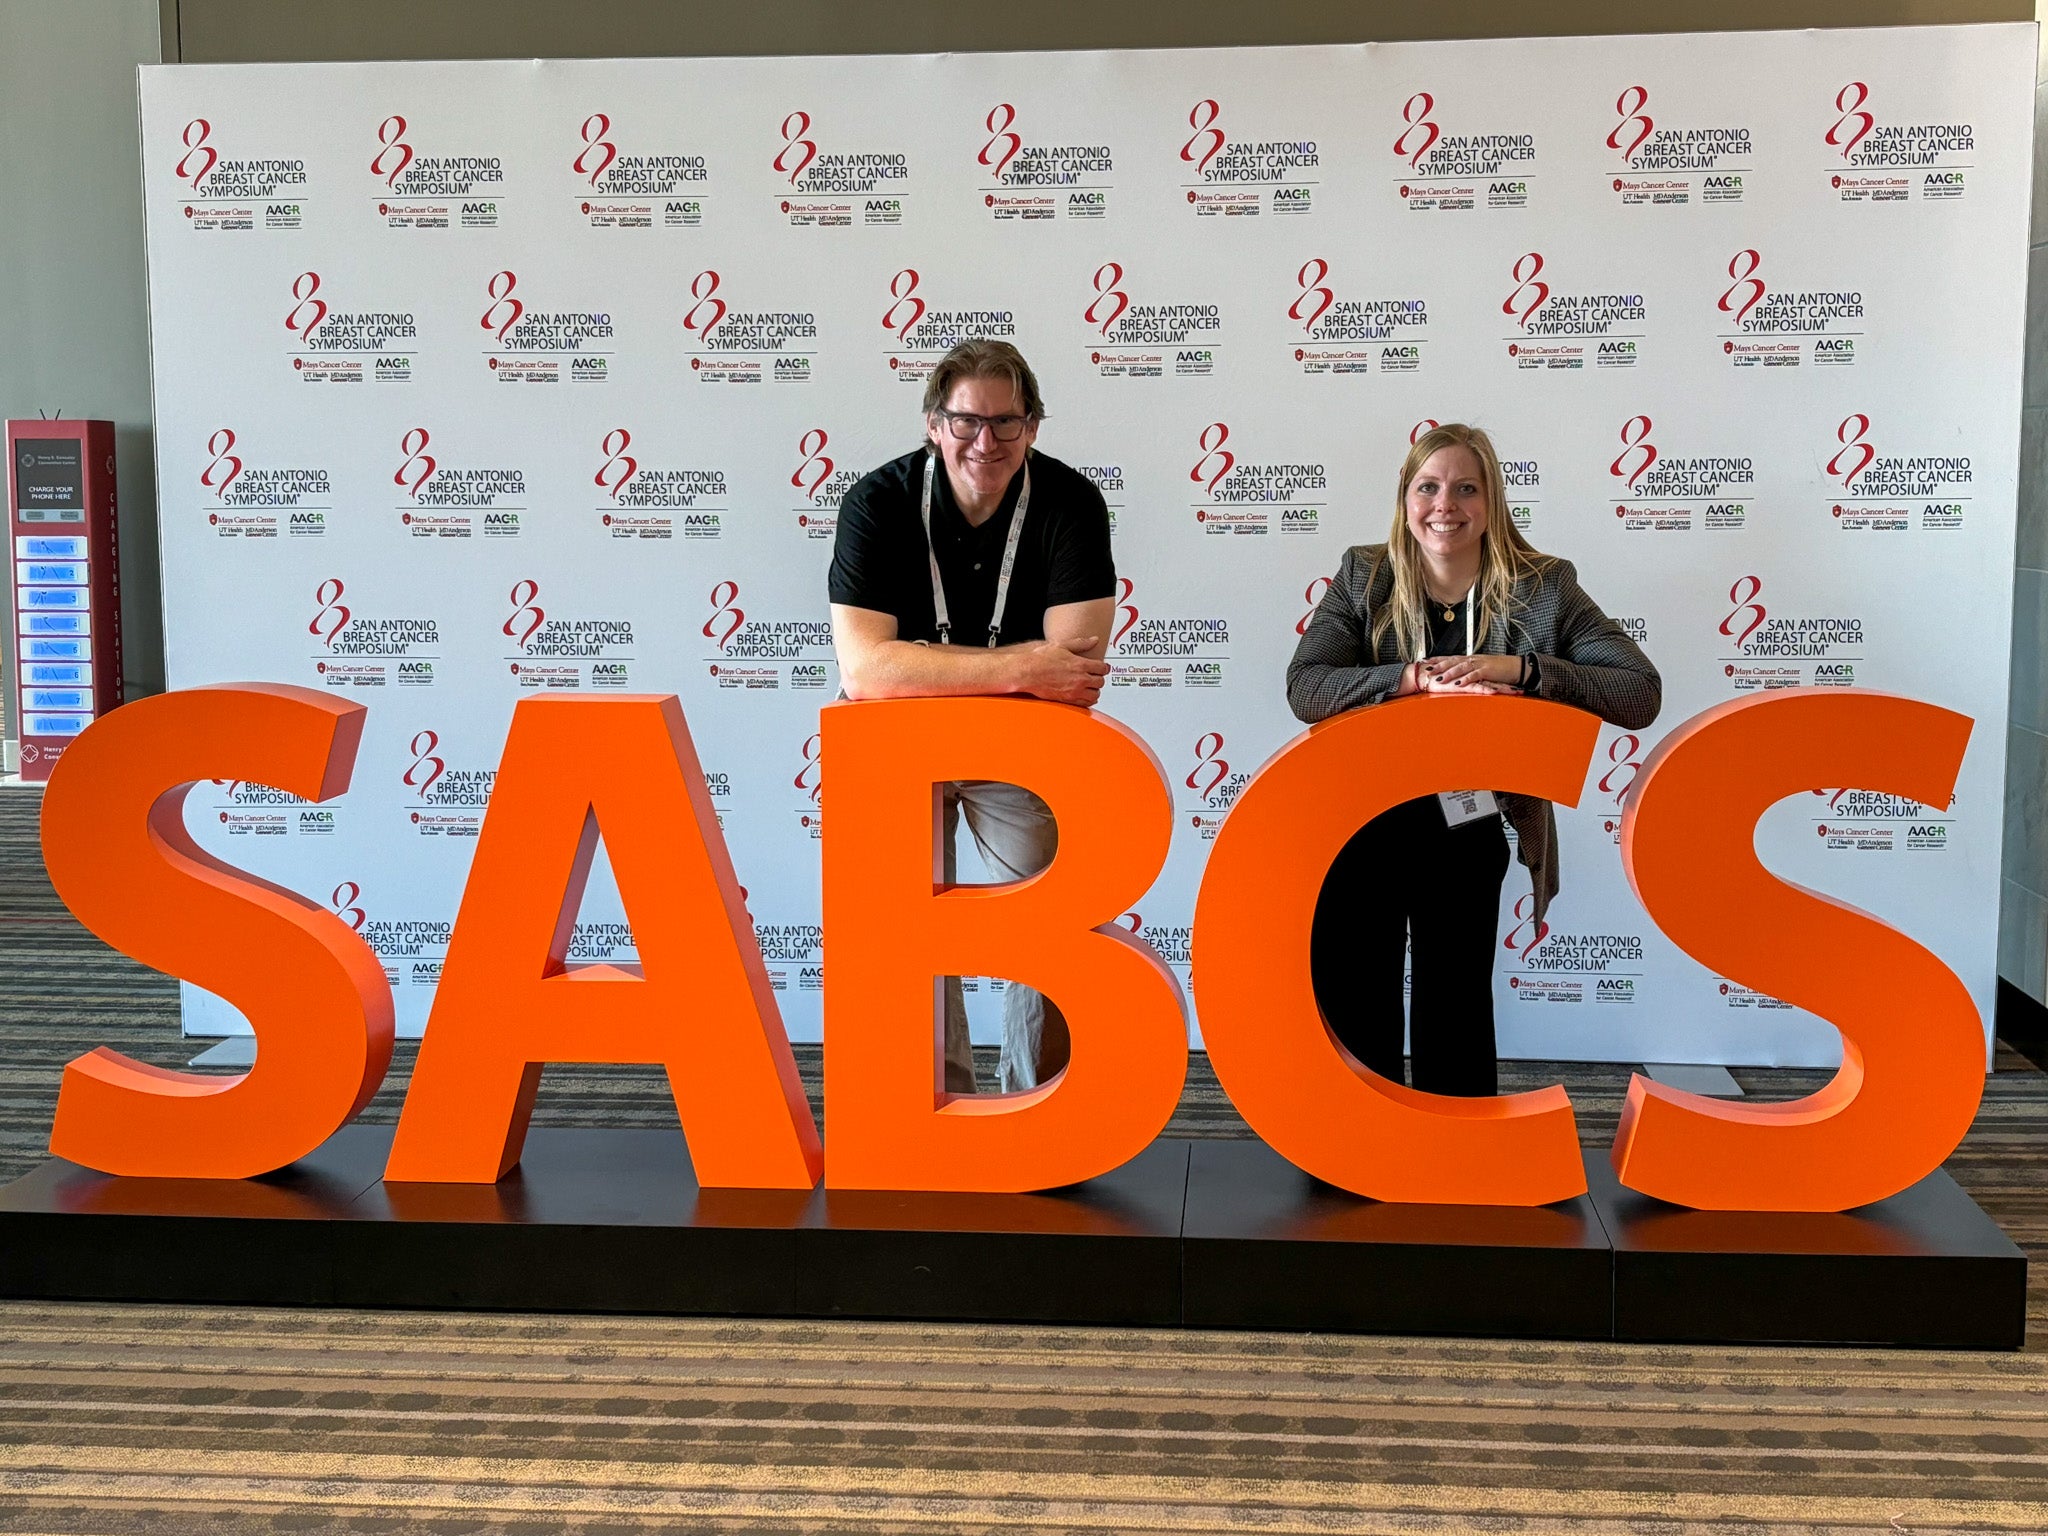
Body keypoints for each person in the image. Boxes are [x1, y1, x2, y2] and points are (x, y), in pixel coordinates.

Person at [1285, 422, 1660, 1097]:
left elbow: (1639, 692)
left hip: (1466, 823)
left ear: (1491, 502)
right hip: (1360, 821)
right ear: (1405, 499)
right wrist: (1413, 679)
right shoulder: (1363, 576)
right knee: (1355, 999)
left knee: (1453, 1013)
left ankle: (1455, 1167)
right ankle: (1353, 1163)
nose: (1444, 505)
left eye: (1466, 488)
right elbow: (1307, 688)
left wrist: (1516, 669)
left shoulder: (1543, 588)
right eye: (1428, 487)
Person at [829, 339, 1115, 1095]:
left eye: (1006, 423)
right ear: (933, 423)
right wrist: (1021, 666)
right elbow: (863, 670)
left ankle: (1033, 1105)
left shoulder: (1071, 502)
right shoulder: (876, 503)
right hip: (899, 750)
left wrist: (919, 666)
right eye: (966, 422)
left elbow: (1076, 672)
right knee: (910, 930)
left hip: (1019, 749)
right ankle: (937, 1100)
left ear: (1033, 427)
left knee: (1043, 923)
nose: (985, 442)